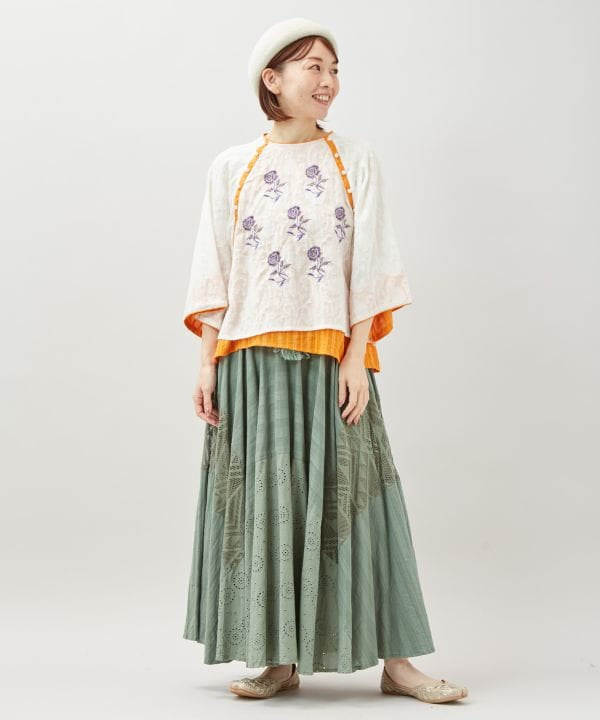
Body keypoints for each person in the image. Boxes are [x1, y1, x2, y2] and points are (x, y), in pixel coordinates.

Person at [181, 17, 468, 704]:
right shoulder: (232, 167)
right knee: (264, 506)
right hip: (250, 364)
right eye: (313, 66)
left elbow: (369, 260)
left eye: (334, 68)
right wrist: (205, 363)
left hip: (330, 359)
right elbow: (214, 268)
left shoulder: (355, 160)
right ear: (272, 79)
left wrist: (356, 355)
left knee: (363, 500)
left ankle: (398, 664)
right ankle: (277, 658)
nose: (328, 80)